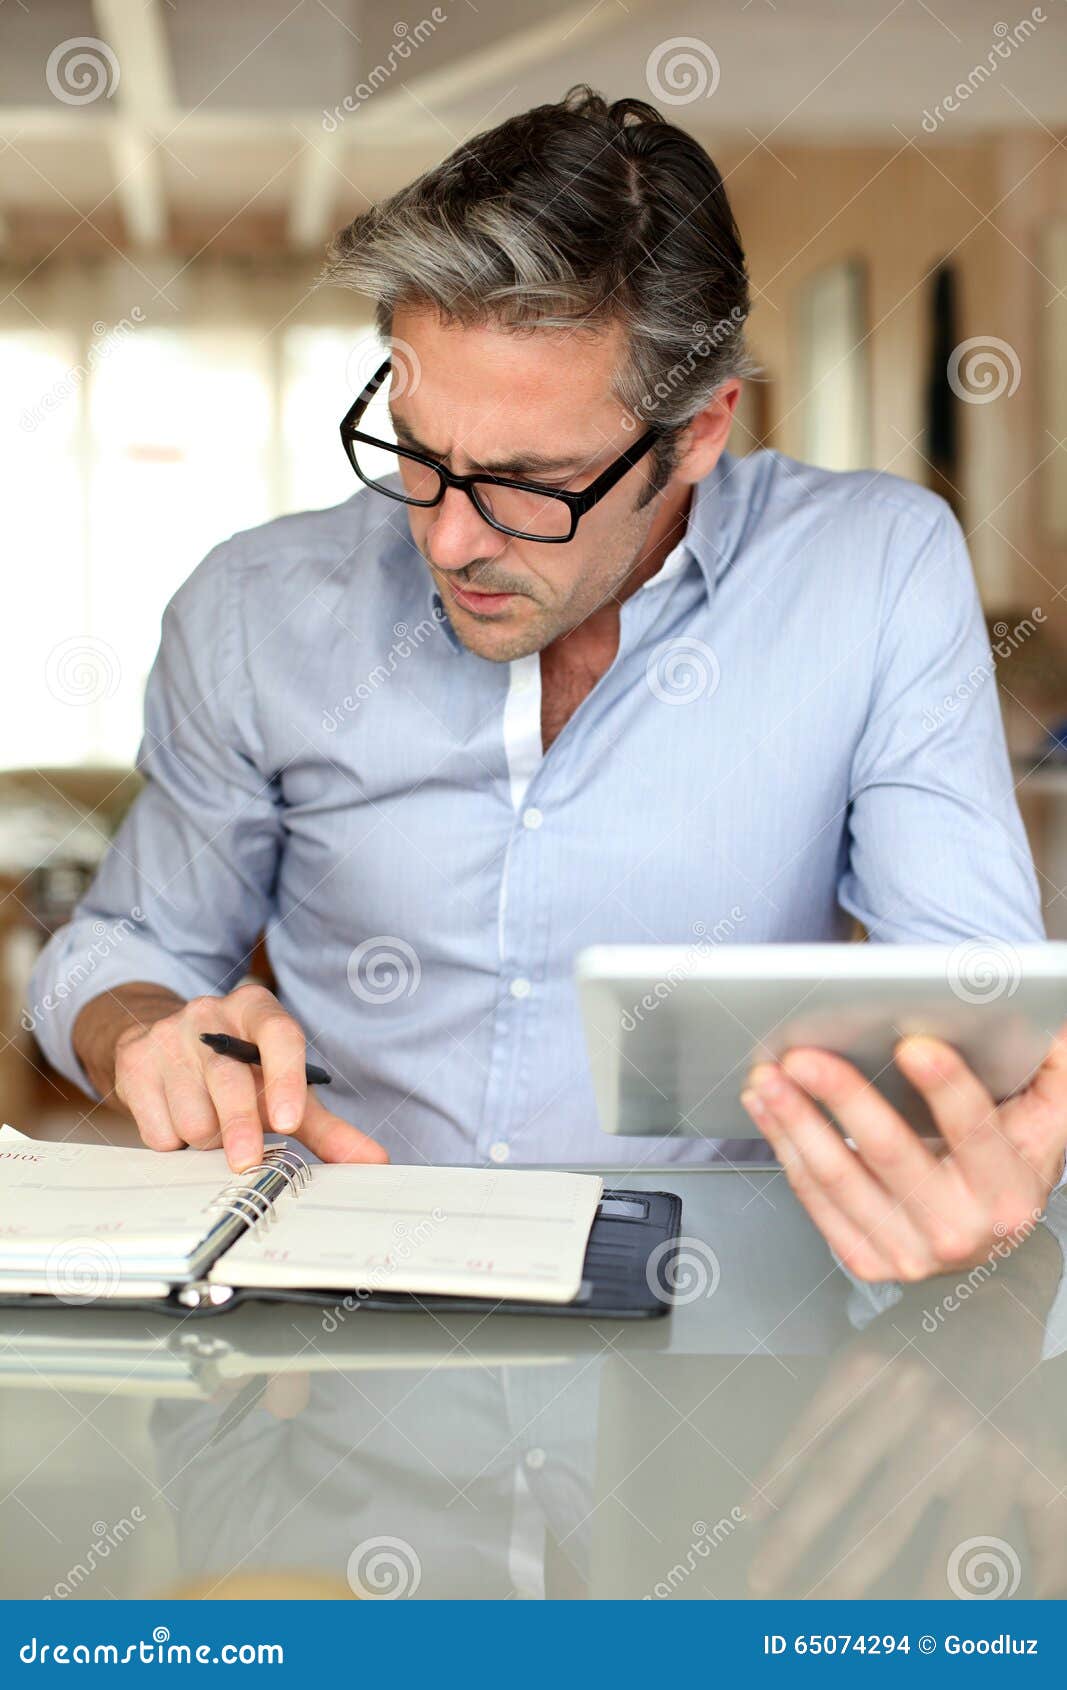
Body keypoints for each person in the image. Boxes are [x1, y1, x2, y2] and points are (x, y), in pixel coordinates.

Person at [29, 87, 1067, 1283]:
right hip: (347, 1331)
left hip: (719, 1326)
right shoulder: (251, 608)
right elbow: (125, 945)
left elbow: (973, 1001)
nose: (449, 538)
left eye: (530, 484)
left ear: (698, 429)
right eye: (418, 453)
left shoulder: (873, 570)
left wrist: (978, 1148)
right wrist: (146, 1031)